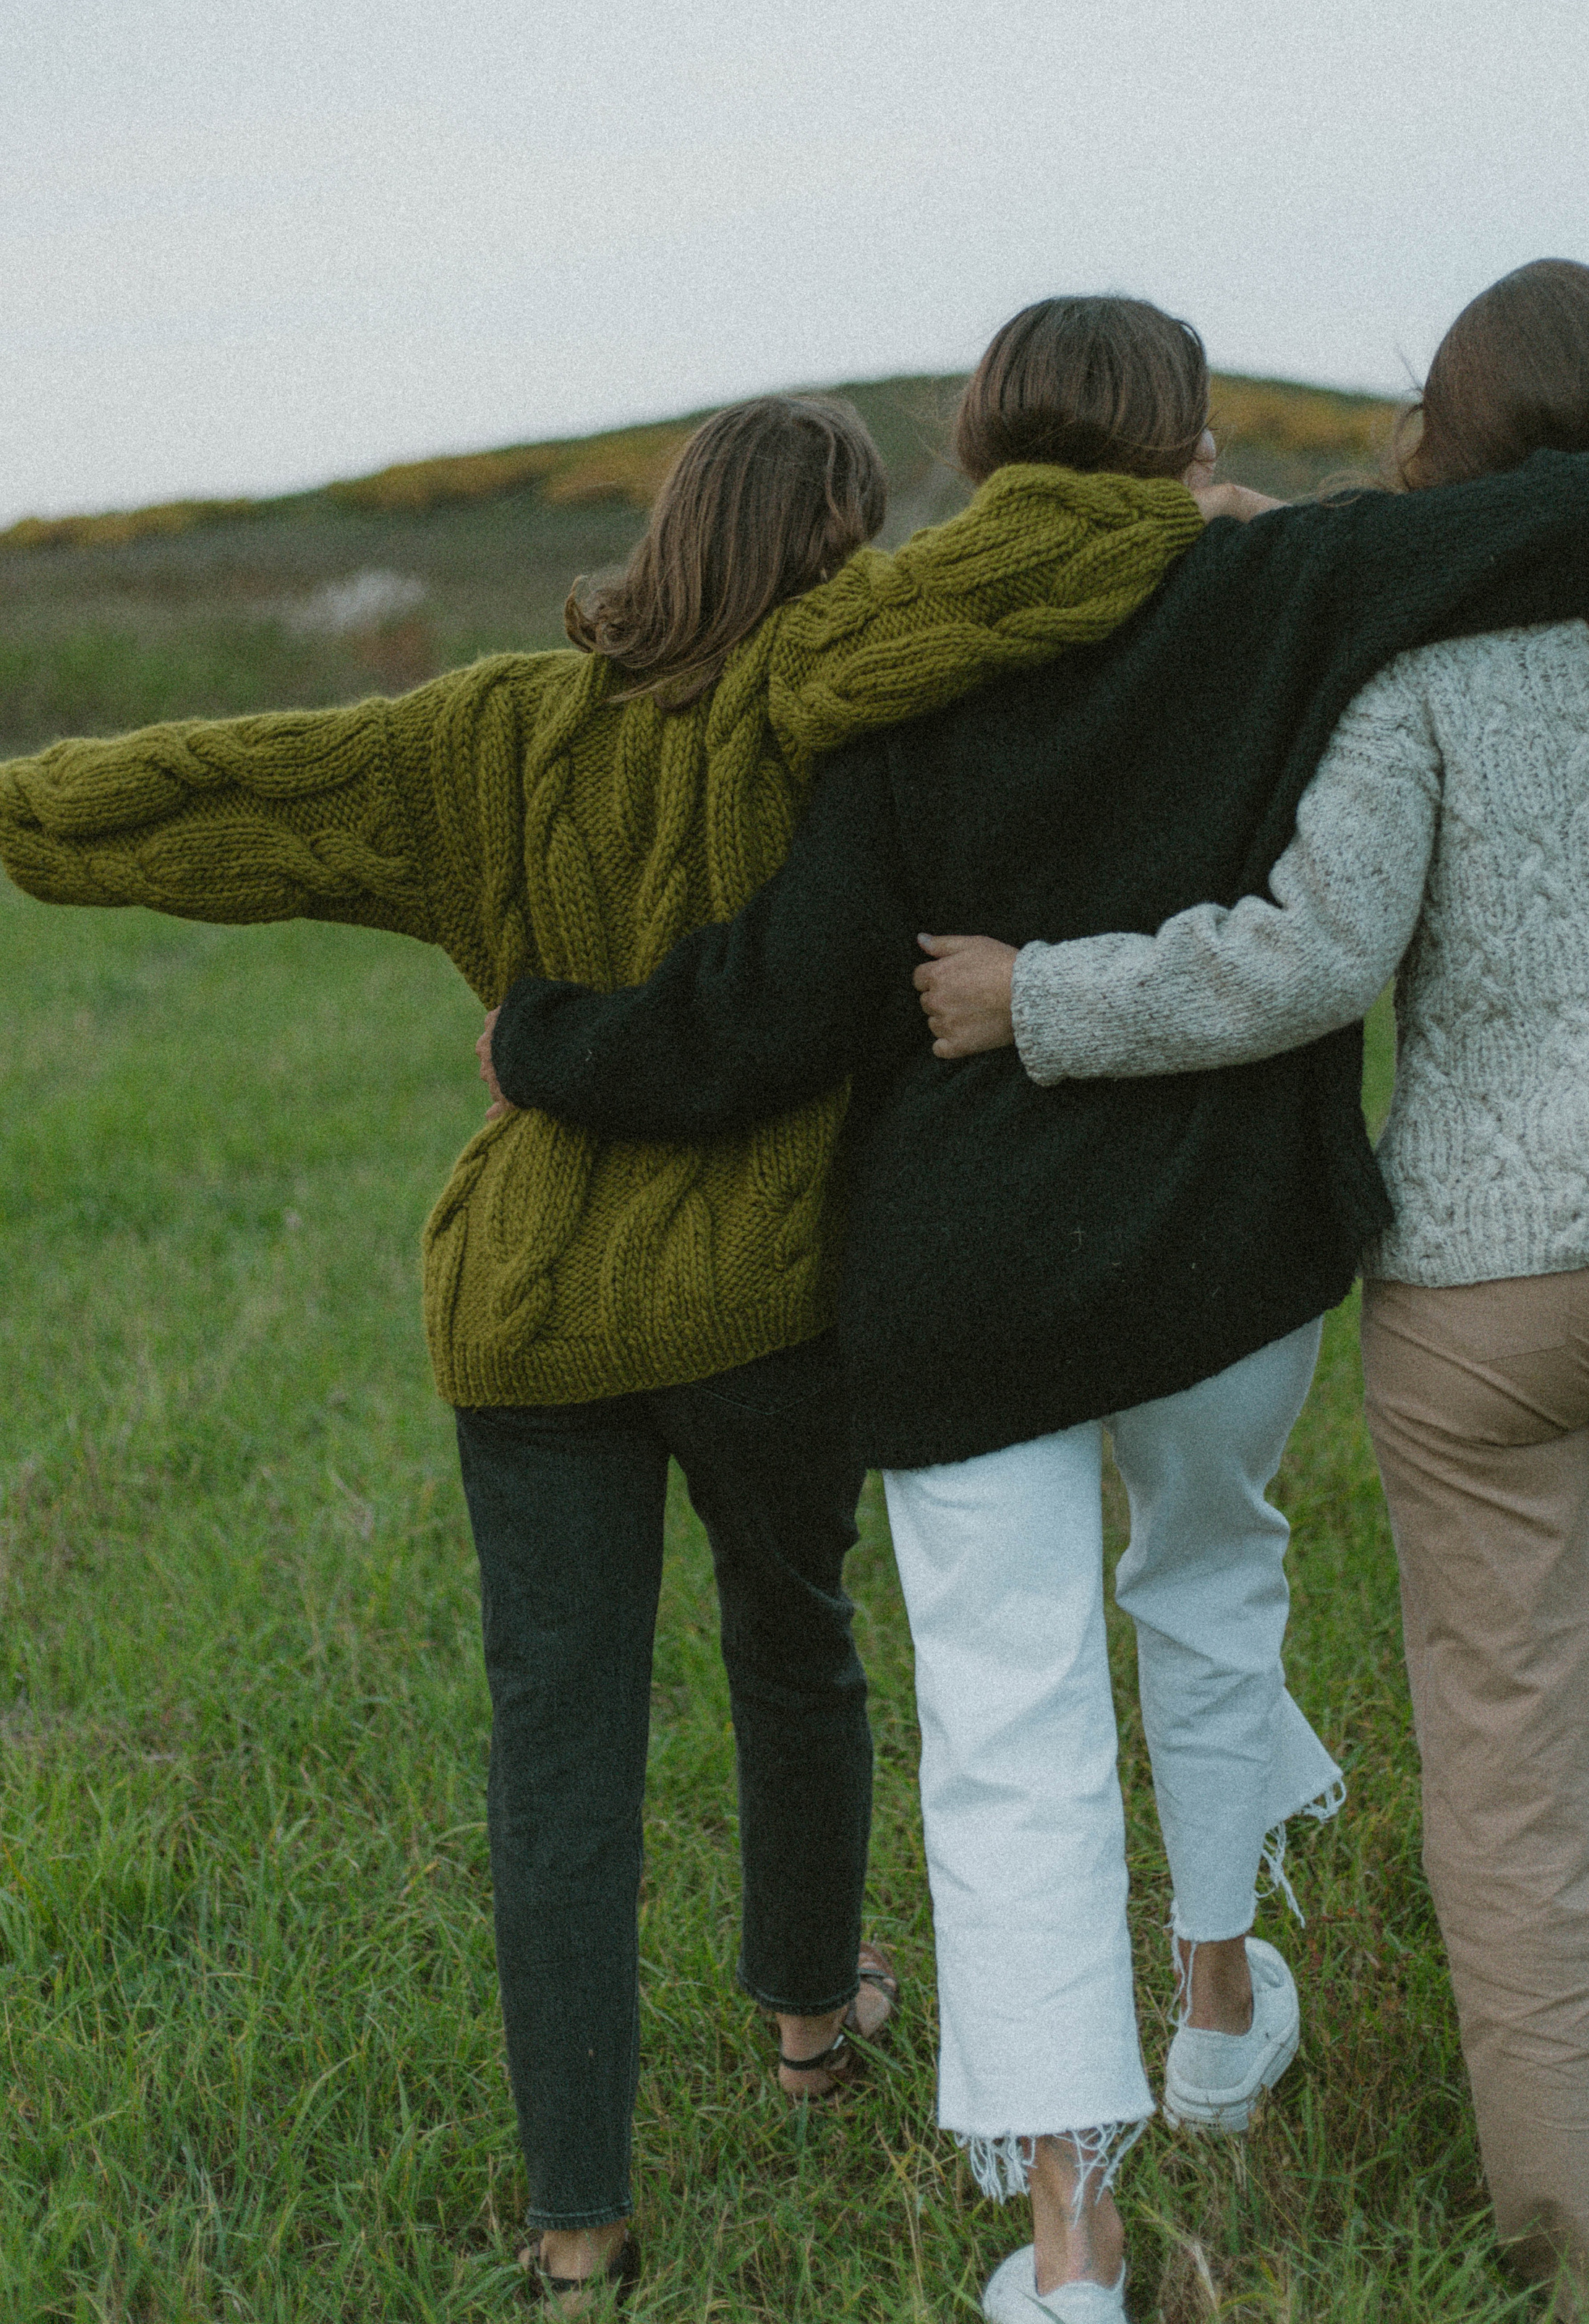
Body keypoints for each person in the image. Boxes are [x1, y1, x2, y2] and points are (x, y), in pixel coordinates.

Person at [480, 296, 1589, 2323]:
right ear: (1182, 438)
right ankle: (1222, 2003)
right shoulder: (1272, 579)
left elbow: (780, 1007)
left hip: (960, 1294)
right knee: (1212, 1585)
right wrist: (1259, 513)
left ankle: (1070, 2248)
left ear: (982, 448)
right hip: (1222, 1261)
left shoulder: (891, 651)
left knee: (1009, 1733)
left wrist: (546, 1042)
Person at [0, 386, 1210, 2311]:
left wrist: (26, 814)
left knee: (555, 1754)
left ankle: (578, 2227)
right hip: (764, 1304)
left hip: (528, 1311)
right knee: (793, 1638)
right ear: (838, 544)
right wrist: (1186, 499)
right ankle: (816, 2026)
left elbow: (243, 792)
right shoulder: (840, 692)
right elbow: (1040, 575)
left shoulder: (485, 730)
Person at [911, 262, 1589, 2308]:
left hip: (1479, 1296)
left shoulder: (1420, 670)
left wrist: (1036, 997)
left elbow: (1307, 959)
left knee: (1511, 1750)